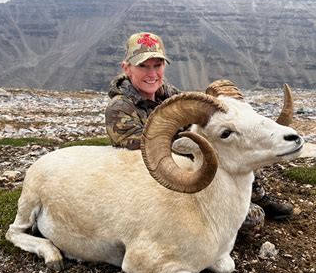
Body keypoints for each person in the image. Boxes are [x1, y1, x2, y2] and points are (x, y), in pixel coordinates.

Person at [105, 32, 293, 231]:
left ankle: (258, 195)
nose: (152, 74)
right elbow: (147, 153)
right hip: (155, 180)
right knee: (251, 218)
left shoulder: (170, 95)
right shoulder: (119, 109)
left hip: (191, 164)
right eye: (143, 66)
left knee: (235, 141)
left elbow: (203, 126)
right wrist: (205, 144)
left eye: (157, 65)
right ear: (126, 68)